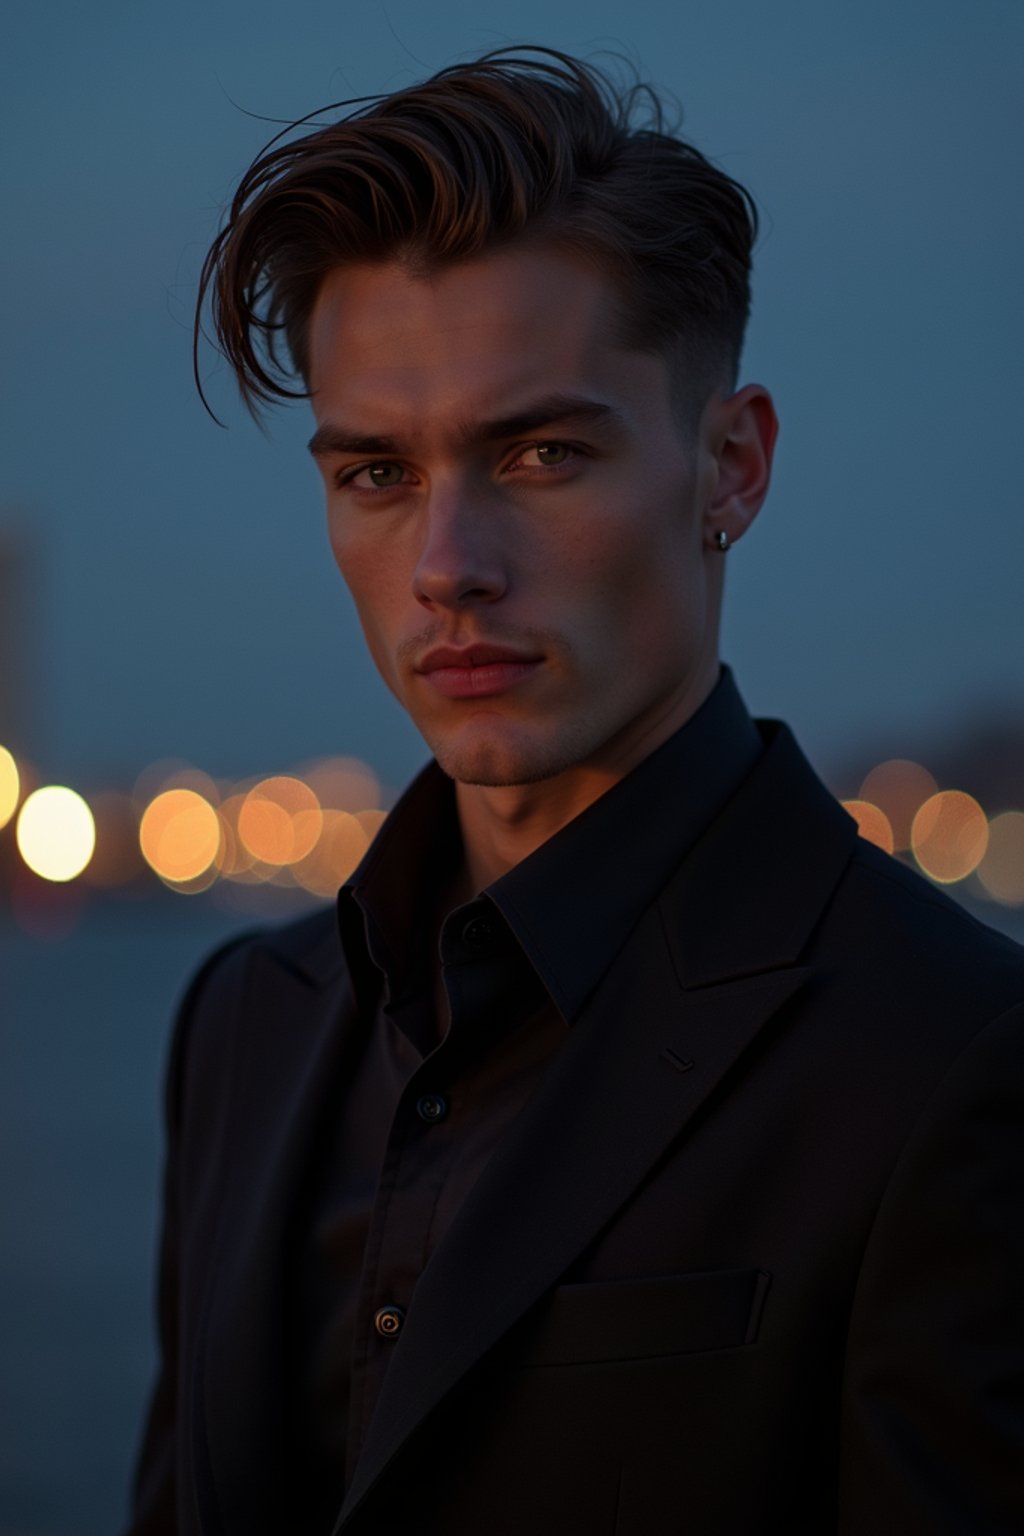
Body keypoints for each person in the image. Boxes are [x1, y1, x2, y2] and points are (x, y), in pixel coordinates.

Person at [125, 46, 1024, 1536]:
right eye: (375, 473)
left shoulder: (950, 1057)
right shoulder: (244, 1026)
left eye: (539, 452)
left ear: (729, 467)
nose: (447, 565)